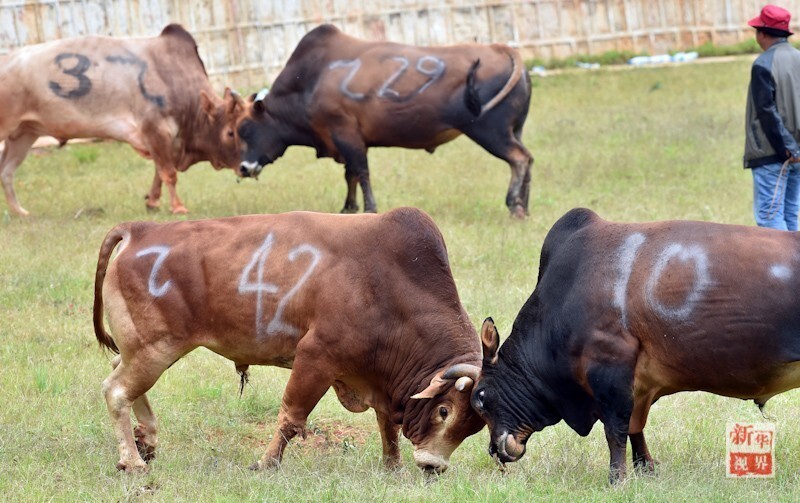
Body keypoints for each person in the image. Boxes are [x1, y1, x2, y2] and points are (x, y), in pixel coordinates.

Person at [744, 4, 800, 230]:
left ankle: (780, 267)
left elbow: (766, 111)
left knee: (770, 220)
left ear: (762, 33)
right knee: (791, 215)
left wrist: (786, 148)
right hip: (797, 153)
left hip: (774, 154)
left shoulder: (763, 64)